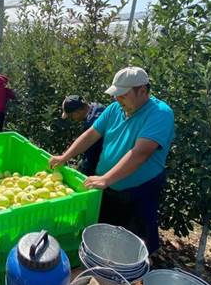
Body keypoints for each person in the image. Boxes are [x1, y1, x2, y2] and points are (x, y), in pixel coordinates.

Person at [49, 67, 174, 254]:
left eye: (123, 95)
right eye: (116, 94)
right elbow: (91, 135)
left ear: (142, 91)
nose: (117, 99)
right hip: (109, 187)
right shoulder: (115, 108)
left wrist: (106, 178)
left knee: (135, 242)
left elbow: (141, 152)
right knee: (105, 234)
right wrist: (65, 157)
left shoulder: (160, 113)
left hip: (138, 191)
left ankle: (137, 275)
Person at [61, 95, 105, 176]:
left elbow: (91, 154)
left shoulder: (91, 123)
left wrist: (83, 173)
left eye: (71, 116)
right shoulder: (96, 106)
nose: (72, 119)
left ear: (78, 112)